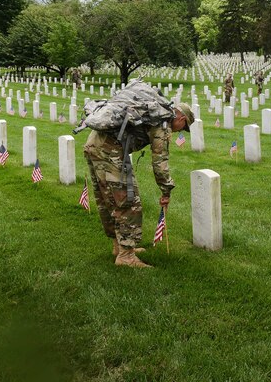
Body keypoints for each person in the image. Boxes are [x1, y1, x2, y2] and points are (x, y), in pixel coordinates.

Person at [83, 100, 194, 268]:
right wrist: (166, 190)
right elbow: (160, 162)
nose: (181, 131)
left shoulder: (153, 111)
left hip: (93, 143)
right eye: (184, 126)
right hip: (110, 150)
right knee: (128, 202)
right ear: (181, 117)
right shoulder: (162, 123)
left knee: (108, 199)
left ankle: (118, 246)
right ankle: (126, 256)